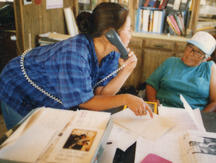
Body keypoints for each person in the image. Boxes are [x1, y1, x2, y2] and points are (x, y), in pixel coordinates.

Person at [0, 2, 153, 130]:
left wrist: (125, 72)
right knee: (26, 143)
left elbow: (102, 94)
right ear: (110, 34)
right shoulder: (74, 55)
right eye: (128, 28)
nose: (132, 33)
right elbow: (86, 102)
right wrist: (126, 98)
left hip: (49, 93)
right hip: (17, 87)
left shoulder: (112, 52)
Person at [146, 31, 216, 112]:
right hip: (162, 110)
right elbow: (151, 84)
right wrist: (153, 102)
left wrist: (200, 117)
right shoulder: (170, 62)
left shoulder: (210, 68)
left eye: (198, 52)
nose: (191, 53)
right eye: (190, 47)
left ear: (206, 58)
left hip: (192, 115)